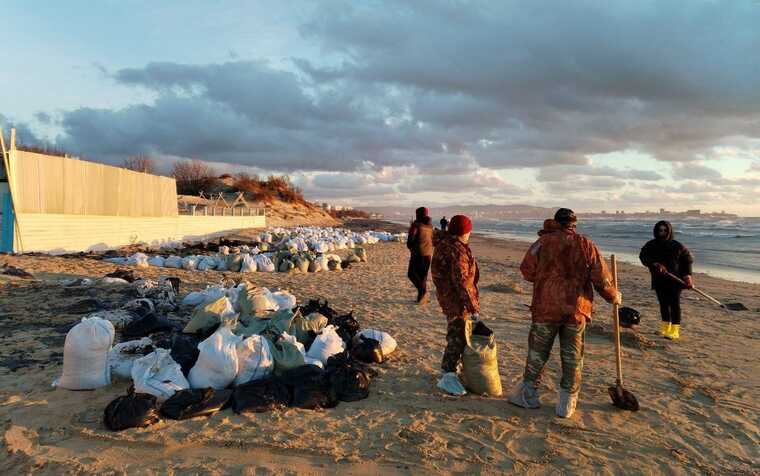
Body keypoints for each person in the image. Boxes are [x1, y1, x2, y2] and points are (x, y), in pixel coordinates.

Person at [509, 208, 621, 418]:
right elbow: (601, 277)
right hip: (576, 310)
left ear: (556, 222)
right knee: (572, 357)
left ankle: (528, 395)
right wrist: (613, 295)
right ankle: (566, 405)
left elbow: (526, 270)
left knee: (537, 354)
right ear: (574, 224)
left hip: (545, 307)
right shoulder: (586, 244)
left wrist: (545, 278)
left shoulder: (542, 243)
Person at [431, 215, 479, 396]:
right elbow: (462, 282)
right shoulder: (456, 250)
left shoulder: (445, 245)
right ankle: (448, 374)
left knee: (456, 333)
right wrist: (473, 306)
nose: (469, 234)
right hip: (456, 300)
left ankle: (450, 370)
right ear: (464, 232)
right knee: (457, 335)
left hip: (448, 296)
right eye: (468, 231)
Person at [639, 221, 694, 340]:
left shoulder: (677, 246)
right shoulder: (651, 245)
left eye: (665, 230)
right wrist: (654, 263)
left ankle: (675, 330)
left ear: (669, 231)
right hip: (659, 279)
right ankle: (665, 328)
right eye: (660, 230)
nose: (662, 233)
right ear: (656, 231)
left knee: (674, 304)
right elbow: (643, 256)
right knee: (663, 304)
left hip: (676, 280)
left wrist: (687, 276)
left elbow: (687, 260)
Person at [406, 207, 434, 304]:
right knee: (423, 277)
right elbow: (432, 240)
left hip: (418, 253)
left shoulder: (416, 225)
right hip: (428, 254)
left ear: (418, 214)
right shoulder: (430, 226)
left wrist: (412, 248)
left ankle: (423, 292)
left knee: (411, 274)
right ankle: (421, 298)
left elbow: (410, 241)